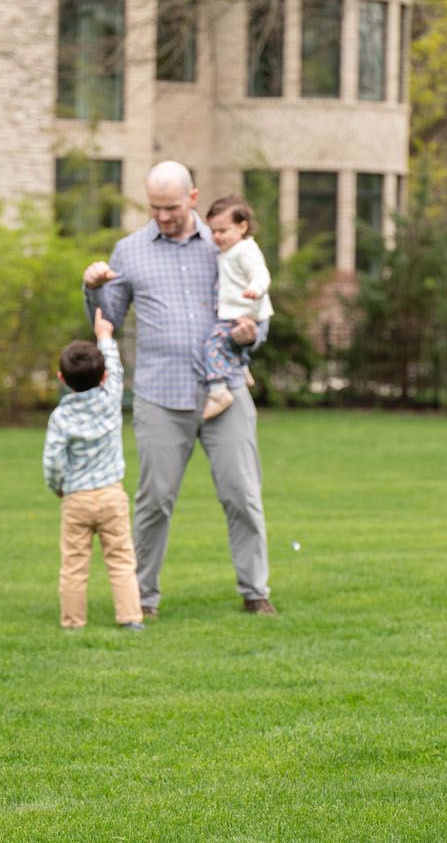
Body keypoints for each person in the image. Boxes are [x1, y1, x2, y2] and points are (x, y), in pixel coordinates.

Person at [81, 161, 276, 617]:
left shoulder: (225, 241)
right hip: (159, 397)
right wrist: (92, 288)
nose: (163, 216)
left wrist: (253, 335)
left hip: (226, 391)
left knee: (242, 494)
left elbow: (258, 309)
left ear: (192, 198)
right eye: (154, 207)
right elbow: (107, 316)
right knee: (154, 501)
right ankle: (142, 599)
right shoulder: (129, 251)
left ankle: (255, 592)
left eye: (170, 207)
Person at [43, 307, 144, 632]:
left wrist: (57, 485)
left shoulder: (61, 417)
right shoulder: (110, 397)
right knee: (121, 561)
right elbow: (113, 366)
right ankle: (130, 618)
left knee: (74, 564)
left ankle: (73, 622)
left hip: (76, 498)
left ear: (61, 379)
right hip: (112, 496)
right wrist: (104, 336)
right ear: (103, 378)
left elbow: (53, 460)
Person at [201, 195, 274, 422]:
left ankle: (218, 391)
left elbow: (261, 273)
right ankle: (242, 368)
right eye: (213, 231)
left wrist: (256, 287)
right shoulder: (230, 250)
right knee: (231, 342)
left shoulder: (244, 250)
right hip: (242, 311)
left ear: (242, 226)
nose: (217, 236)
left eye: (223, 230)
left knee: (213, 343)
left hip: (246, 311)